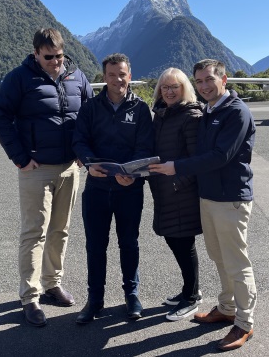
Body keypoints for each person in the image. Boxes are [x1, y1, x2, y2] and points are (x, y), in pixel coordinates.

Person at [149, 59, 257, 352]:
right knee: (219, 257)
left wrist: (176, 167)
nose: (205, 85)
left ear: (224, 79)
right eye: (200, 81)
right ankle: (226, 307)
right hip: (208, 197)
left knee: (237, 262)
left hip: (230, 198)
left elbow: (220, 156)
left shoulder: (236, 112)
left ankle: (244, 323)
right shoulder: (210, 111)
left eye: (209, 79)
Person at [0, 28, 93, 327]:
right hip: (36, 170)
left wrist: (84, 152)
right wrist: (20, 158)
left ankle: (52, 284)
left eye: (59, 56)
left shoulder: (78, 77)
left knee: (60, 230)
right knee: (34, 232)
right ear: (35, 53)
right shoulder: (19, 78)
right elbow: (1, 116)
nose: (55, 62)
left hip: (70, 167)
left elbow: (90, 115)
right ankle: (30, 296)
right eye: (48, 57)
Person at [72, 53, 155, 324]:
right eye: (111, 75)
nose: (117, 79)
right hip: (96, 188)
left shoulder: (141, 109)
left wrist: (132, 175)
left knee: (128, 243)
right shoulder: (91, 108)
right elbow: (80, 140)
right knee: (95, 246)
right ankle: (95, 299)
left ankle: (131, 295)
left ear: (129, 76)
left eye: (122, 74)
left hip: (129, 190)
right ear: (104, 77)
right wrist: (87, 163)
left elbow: (145, 147)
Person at [148, 68, 204, 321]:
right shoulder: (161, 115)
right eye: (165, 87)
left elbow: (196, 160)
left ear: (184, 89)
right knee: (174, 240)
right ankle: (188, 290)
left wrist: (177, 183)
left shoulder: (190, 116)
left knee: (183, 243)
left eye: (175, 87)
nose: (169, 91)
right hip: (164, 189)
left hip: (181, 192)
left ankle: (191, 297)